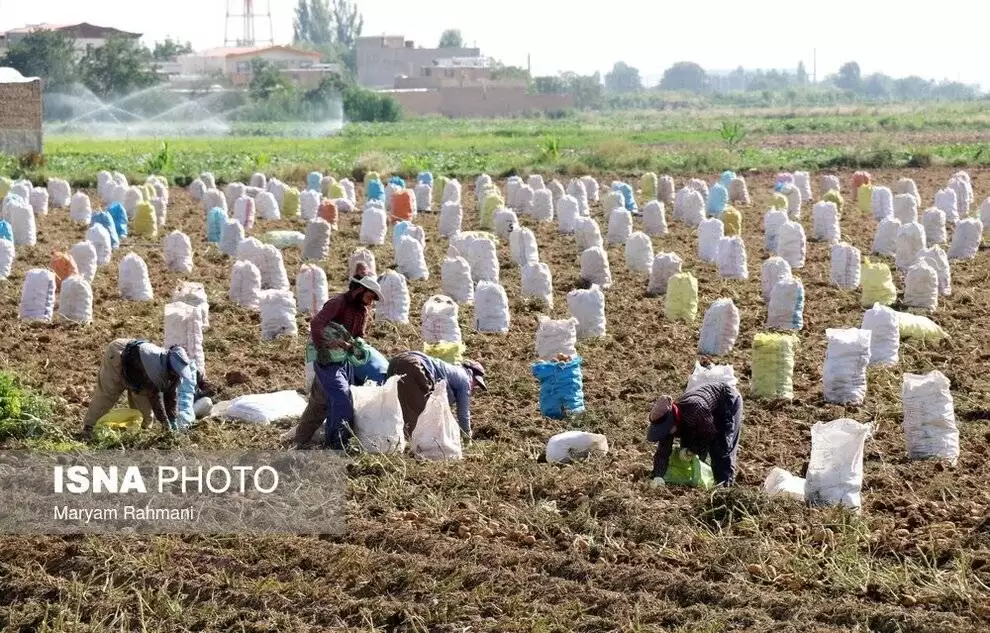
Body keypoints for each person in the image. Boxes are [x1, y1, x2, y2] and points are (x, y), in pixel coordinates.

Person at [309, 275, 382, 450]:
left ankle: (331, 440)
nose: (370, 302)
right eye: (369, 297)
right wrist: (325, 345)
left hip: (345, 361)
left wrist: (357, 345)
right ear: (360, 290)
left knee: (336, 401)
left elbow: (359, 336)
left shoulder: (362, 311)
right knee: (342, 399)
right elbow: (316, 323)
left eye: (372, 299)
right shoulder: (338, 303)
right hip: (327, 360)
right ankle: (337, 444)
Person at [82, 339, 198, 438]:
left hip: (138, 372)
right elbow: (155, 397)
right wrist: (165, 423)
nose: (176, 374)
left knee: (145, 416)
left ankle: (141, 435)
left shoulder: (174, 373)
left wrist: (173, 419)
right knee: (108, 394)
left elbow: (171, 395)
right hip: (119, 354)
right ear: (169, 365)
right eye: (175, 371)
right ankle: (89, 428)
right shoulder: (154, 369)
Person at [646, 381, 743, 487]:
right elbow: (662, 452)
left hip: (726, 401)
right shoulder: (668, 422)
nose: (667, 432)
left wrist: (692, 450)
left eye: (666, 428)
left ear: (673, 420)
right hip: (703, 417)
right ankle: (697, 480)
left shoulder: (695, 408)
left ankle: (725, 487)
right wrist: (658, 476)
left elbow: (709, 434)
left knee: (721, 448)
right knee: (687, 447)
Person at [385, 351, 486, 439]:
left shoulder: (452, 371)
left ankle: (394, 436)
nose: (474, 387)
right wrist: (467, 436)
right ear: (472, 376)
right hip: (413, 365)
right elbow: (463, 413)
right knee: (421, 412)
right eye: (476, 384)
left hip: (395, 362)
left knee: (399, 404)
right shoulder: (466, 380)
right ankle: (415, 445)